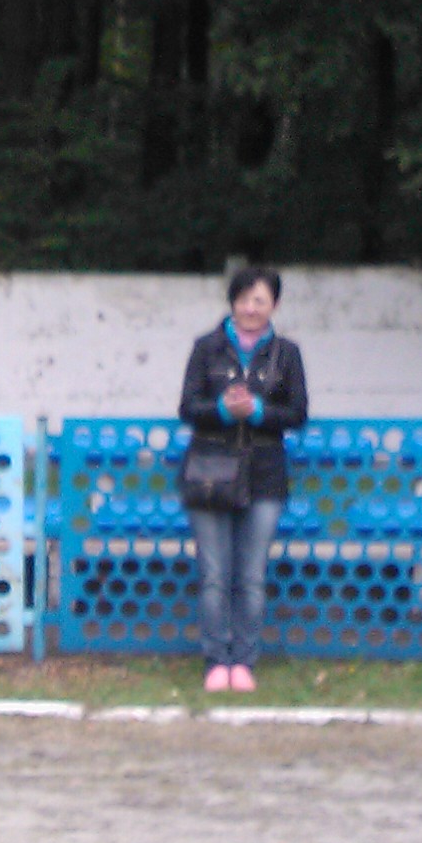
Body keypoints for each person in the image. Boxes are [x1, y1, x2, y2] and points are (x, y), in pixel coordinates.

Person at [177, 265, 309, 693]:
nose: (251, 308)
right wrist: (222, 410)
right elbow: (187, 407)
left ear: (274, 305)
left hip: (265, 472)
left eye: (260, 300)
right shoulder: (207, 348)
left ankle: (244, 660)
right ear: (232, 302)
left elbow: (297, 413)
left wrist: (257, 412)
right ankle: (217, 659)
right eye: (243, 299)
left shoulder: (286, 354)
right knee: (214, 574)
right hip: (210, 471)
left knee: (251, 575)